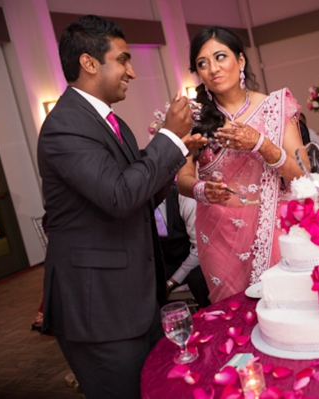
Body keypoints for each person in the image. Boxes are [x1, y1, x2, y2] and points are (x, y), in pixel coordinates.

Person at [37, 15, 204, 399]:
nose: (131, 71)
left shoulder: (114, 124)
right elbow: (118, 196)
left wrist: (177, 153)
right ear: (90, 63)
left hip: (136, 298)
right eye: (124, 59)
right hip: (100, 309)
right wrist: (168, 138)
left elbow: (138, 194)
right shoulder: (64, 125)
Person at [177, 26, 307, 303]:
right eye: (202, 63)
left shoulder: (274, 107)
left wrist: (261, 144)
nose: (213, 68)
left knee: (285, 312)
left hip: (275, 230)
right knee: (234, 315)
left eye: (221, 57)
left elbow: (302, 176)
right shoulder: (192, 116)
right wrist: (200, 189)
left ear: (241, 60)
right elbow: (182, 176)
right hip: (219, 236)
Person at [157, 183, 211, 309]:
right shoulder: (139, 204)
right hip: (165, 260)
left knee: (198, 279)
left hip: (195, 258)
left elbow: (199, 249)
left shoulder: (184, 197)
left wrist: (171, 283)